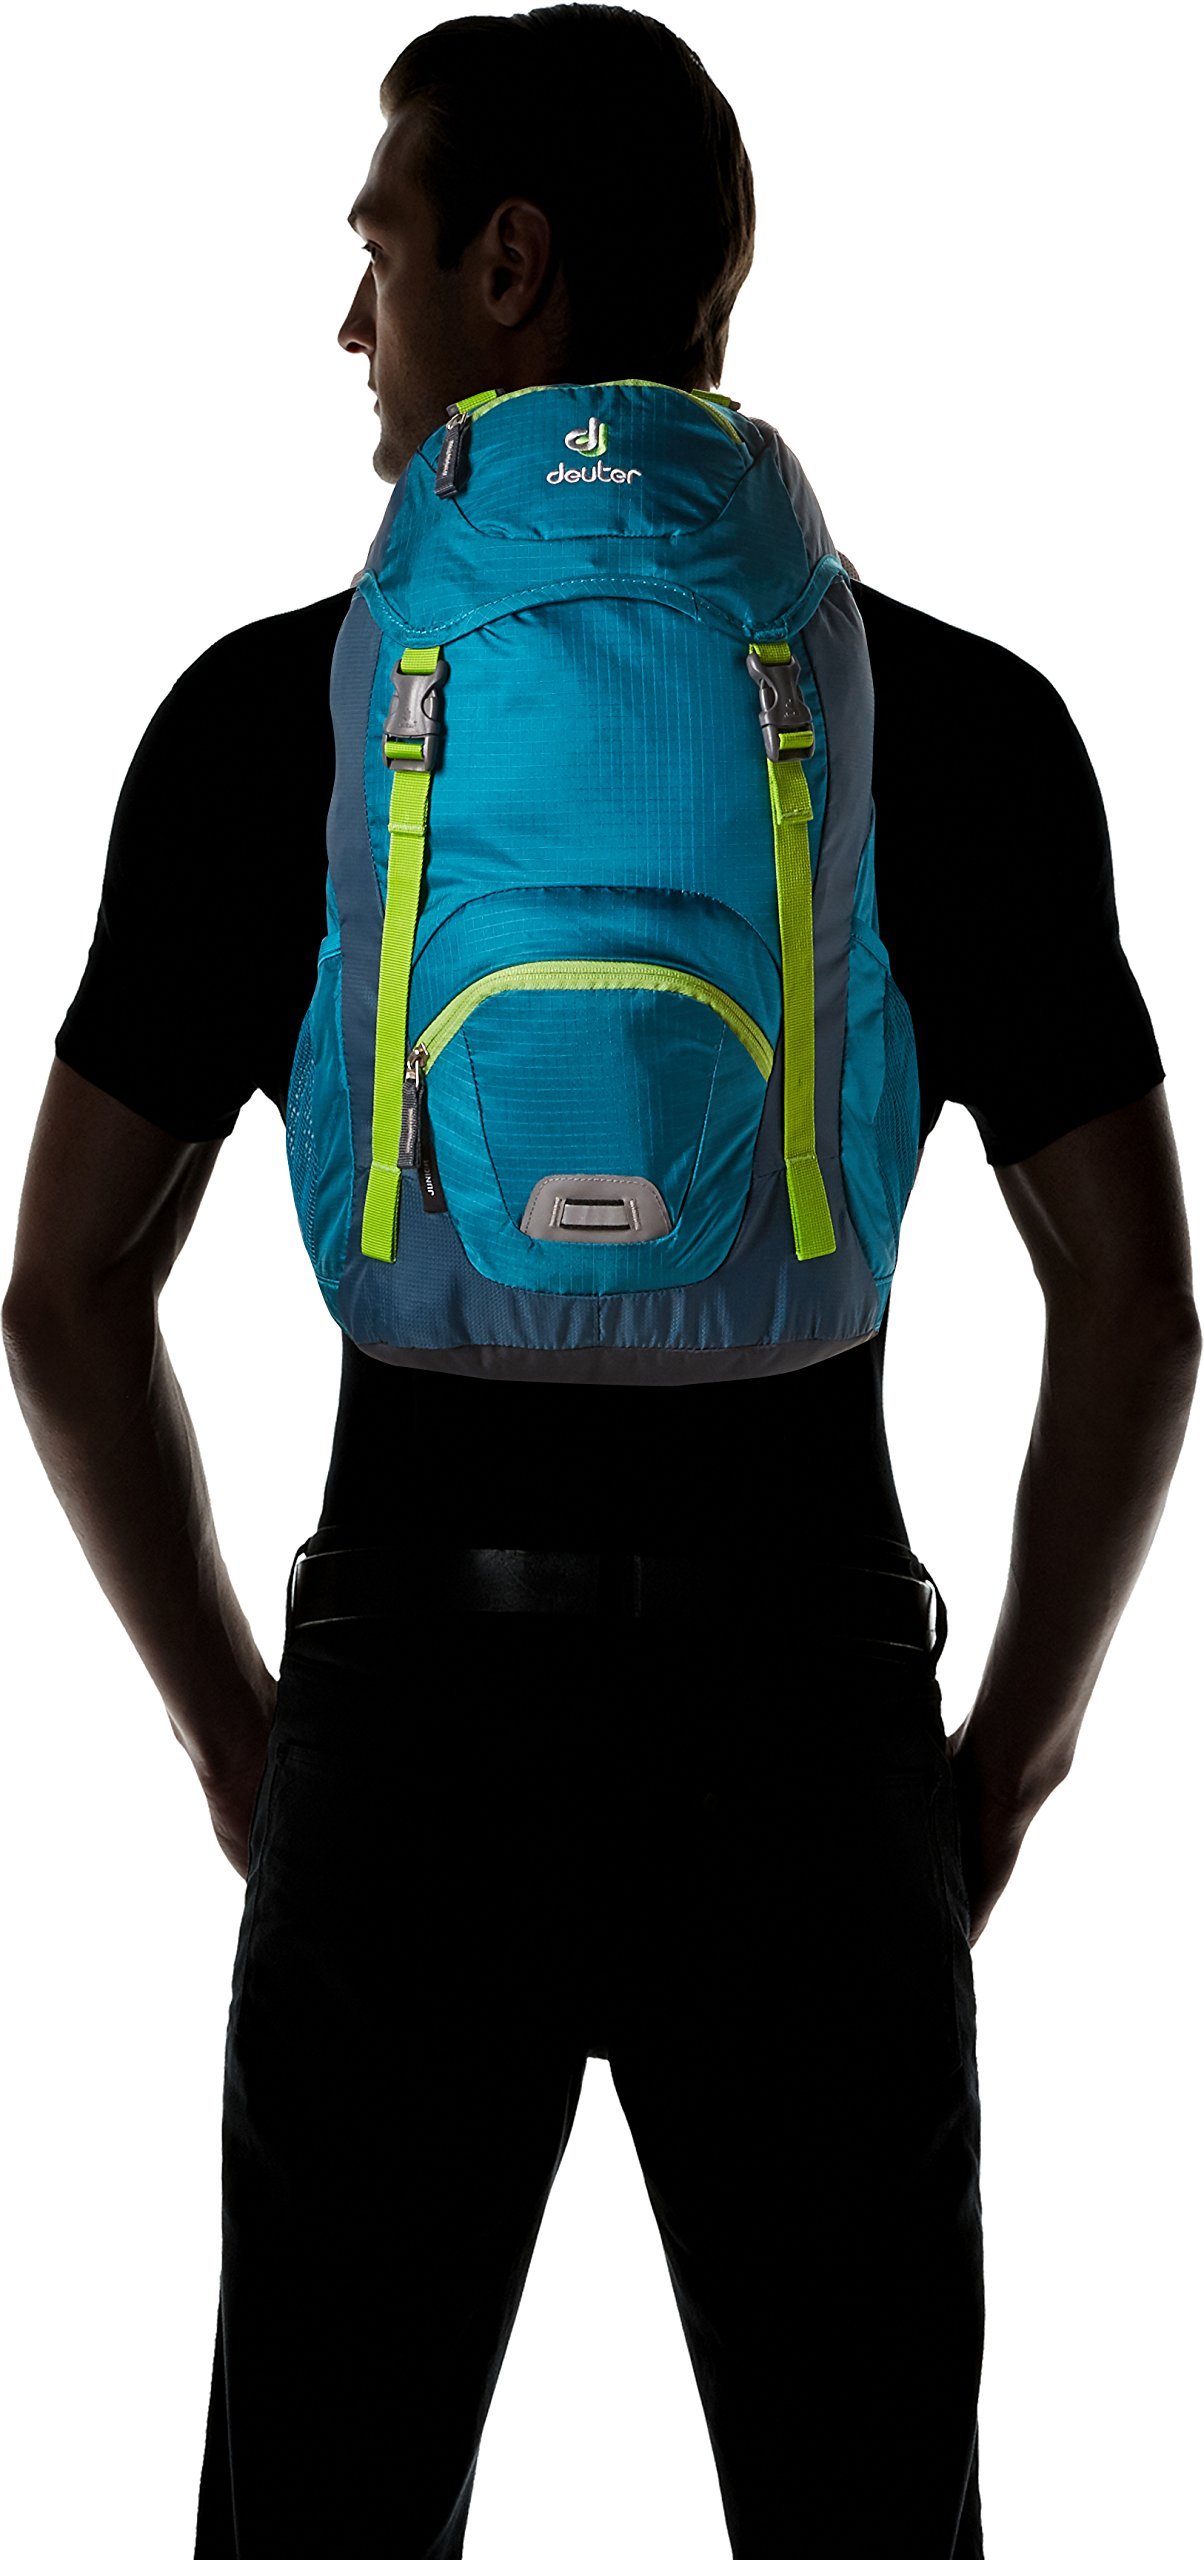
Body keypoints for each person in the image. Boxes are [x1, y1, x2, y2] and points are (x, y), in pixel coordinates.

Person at [3, 11, 1198, 2557]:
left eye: (381, 252)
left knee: (320, 2509)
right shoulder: (947, 718)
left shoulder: (278, 718)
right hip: (805, 1717)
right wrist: (996, 1766)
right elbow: (1133, 1305)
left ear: (510, 266)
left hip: (410, 1717)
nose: (351, 323)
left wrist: (243, 1740)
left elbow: (64, 1289)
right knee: (860, 2509)